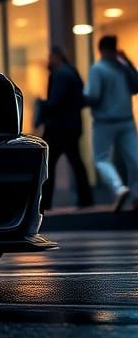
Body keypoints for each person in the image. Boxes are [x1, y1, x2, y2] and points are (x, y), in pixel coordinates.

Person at [84, 34, 138, 211]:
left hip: (104, 122)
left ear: (100, 49)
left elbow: (93, 96)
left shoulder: (97, 69)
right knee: (135, 159)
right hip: (126, 120)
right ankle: (136, 195)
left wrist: (80, 99)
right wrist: (127, 62)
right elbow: (136, 86)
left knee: (101, 158)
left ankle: (119, 188)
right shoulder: (123, 67)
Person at [37, 47, 93, 210]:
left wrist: (42, 106)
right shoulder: (72, 72)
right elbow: (81, 100)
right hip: (72, 126)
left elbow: (56, 101)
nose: (49, 61)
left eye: (50, 57)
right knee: (76, 162)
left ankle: (45, 203)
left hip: (58, 128)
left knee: (48, 165)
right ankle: (86, 199)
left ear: (57, 57)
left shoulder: (60, 75)